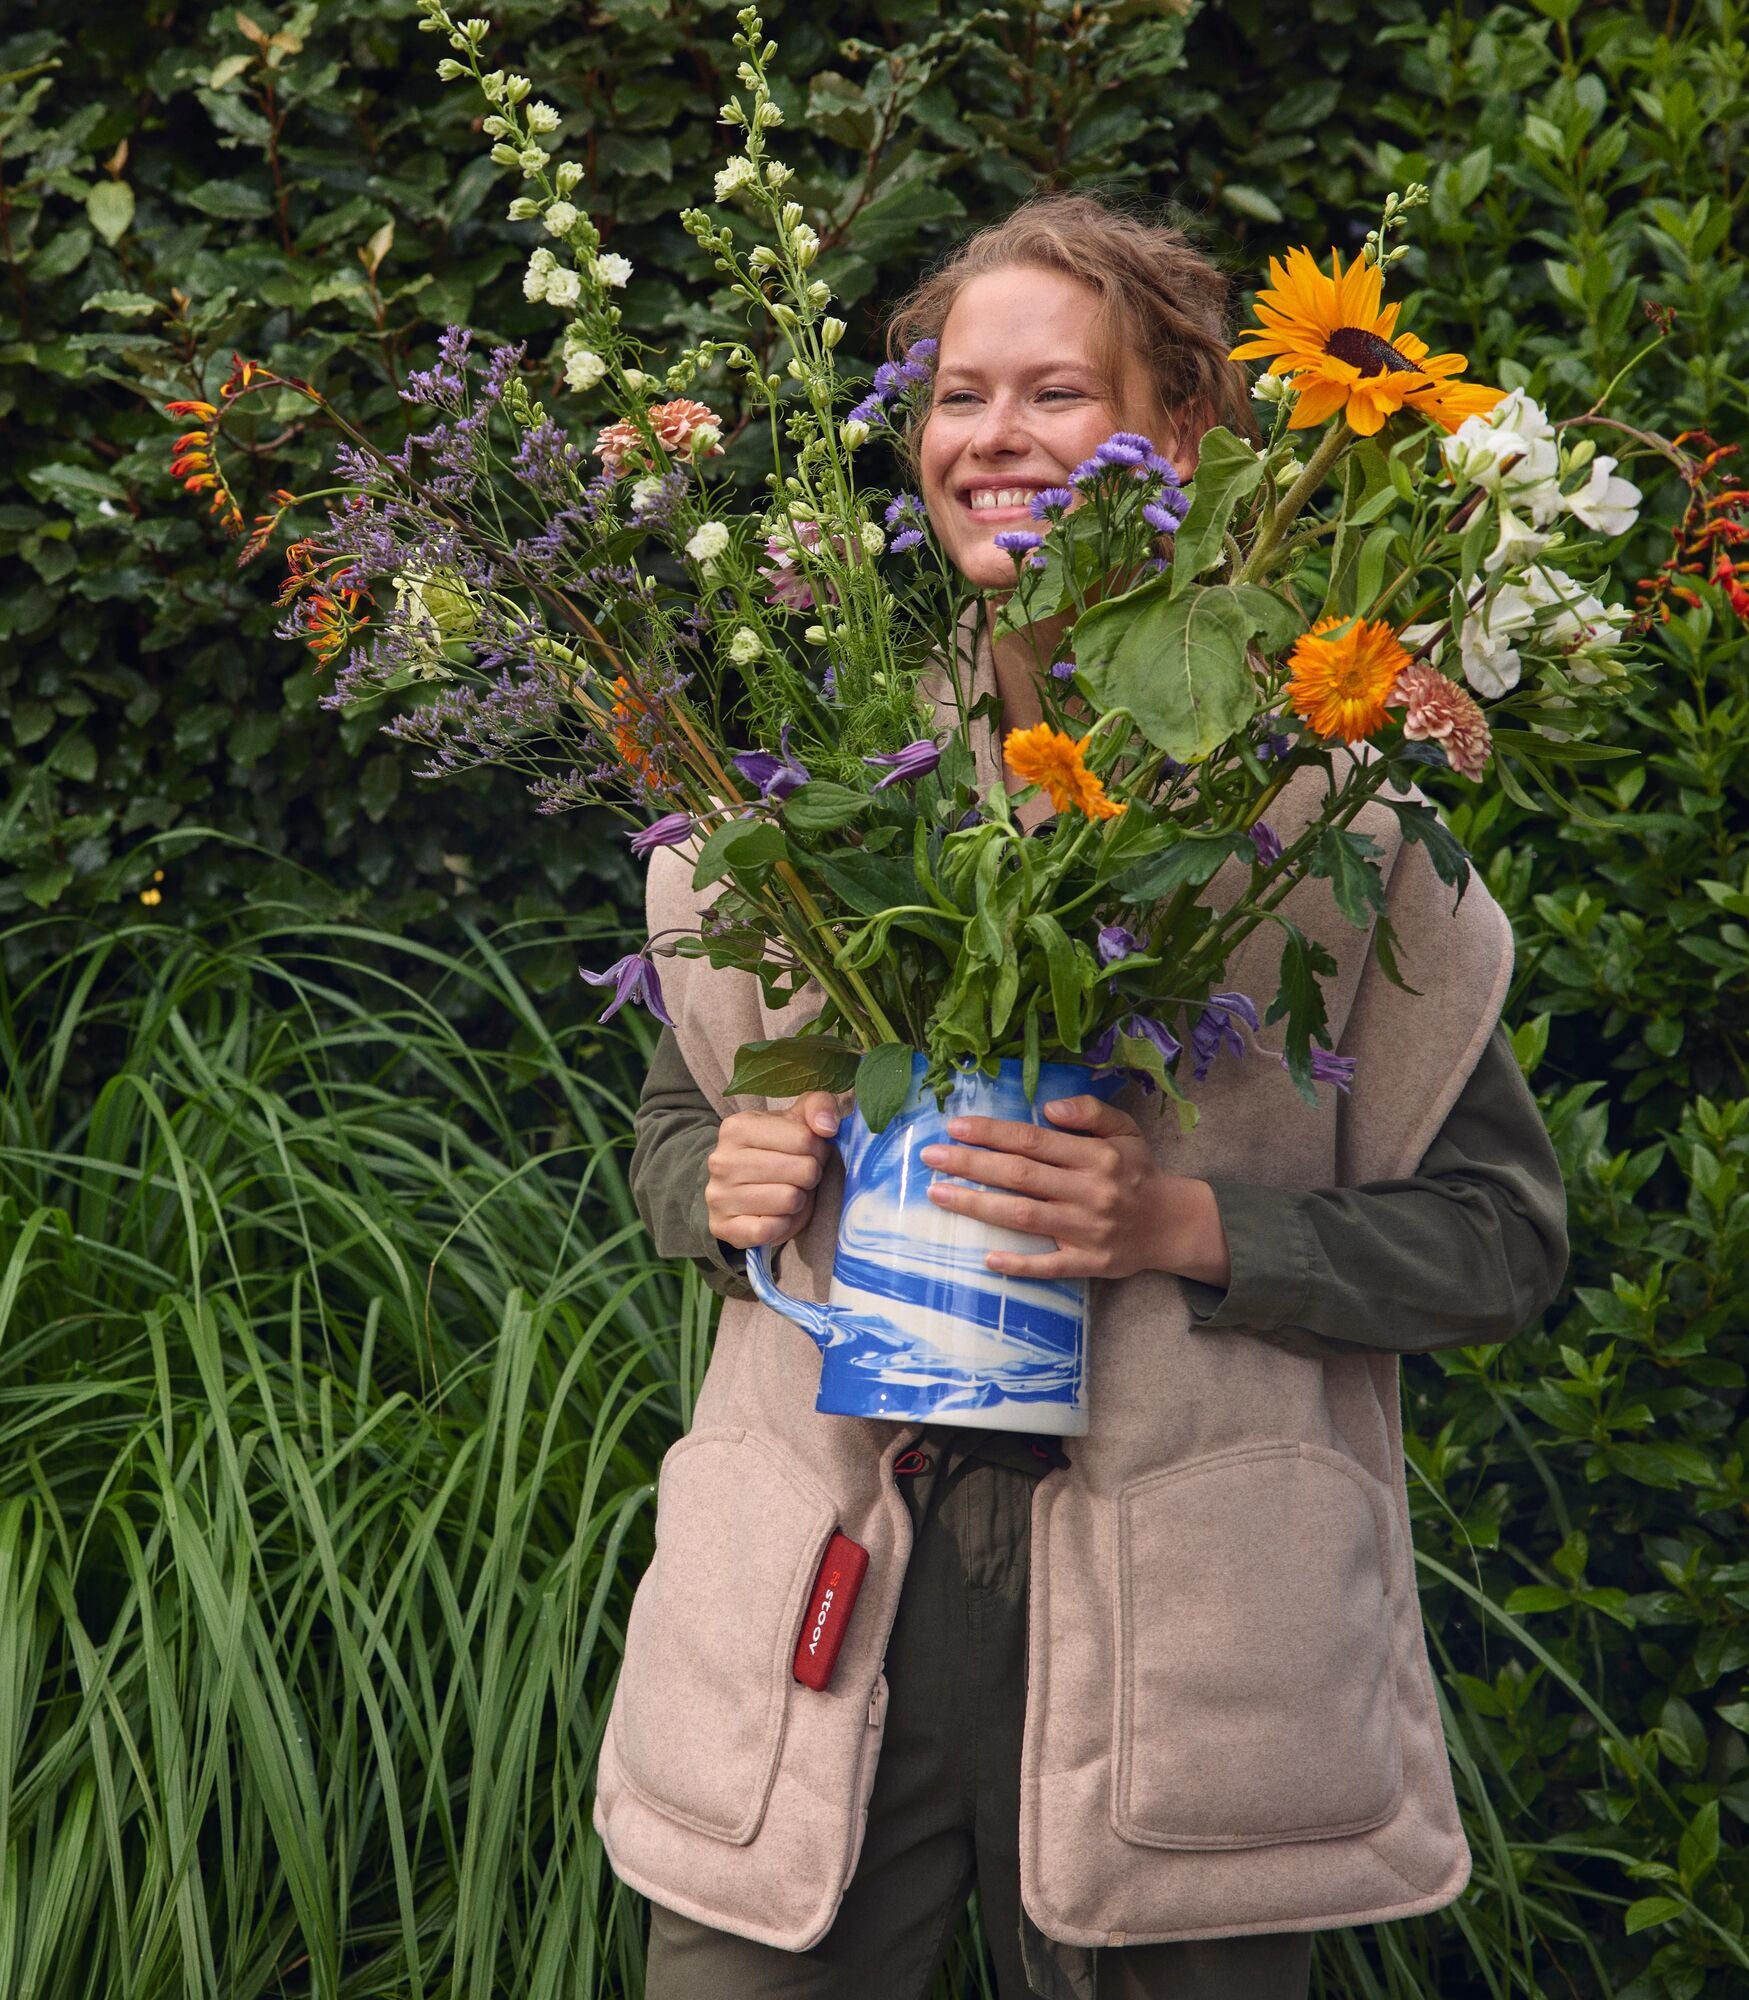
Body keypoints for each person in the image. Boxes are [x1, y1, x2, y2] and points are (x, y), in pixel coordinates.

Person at [595, 192, 1570, 2000]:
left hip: (1190, 1639)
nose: (997, 439)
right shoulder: (806, 792)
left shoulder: (1332, 826)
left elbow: (1502, 1245)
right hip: (821, 1598)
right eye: (960, 397)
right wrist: (718, 1189)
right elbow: (676, 1138)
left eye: (1057, 393)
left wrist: (1185, 1224)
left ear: (1180, 434)